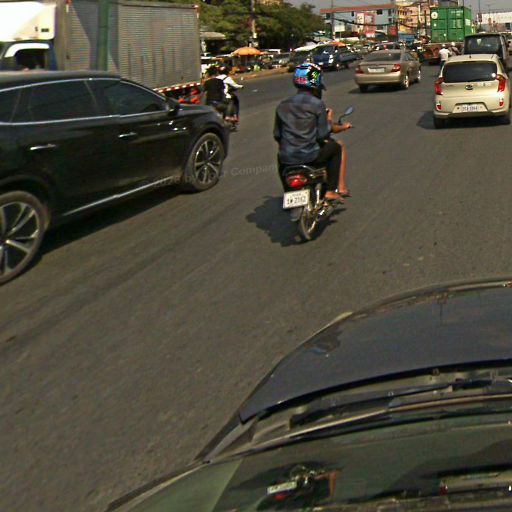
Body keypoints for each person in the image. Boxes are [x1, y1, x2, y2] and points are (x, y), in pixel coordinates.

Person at [274, 63, 352, 201]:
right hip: (310, 155)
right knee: (336, 148)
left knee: (281, 157)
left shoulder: (282, 105)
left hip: (287, 158)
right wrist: (329, 120)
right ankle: (330, 190)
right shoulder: (316, 104)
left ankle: (288, 192)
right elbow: (322, 134)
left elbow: (277, 135)